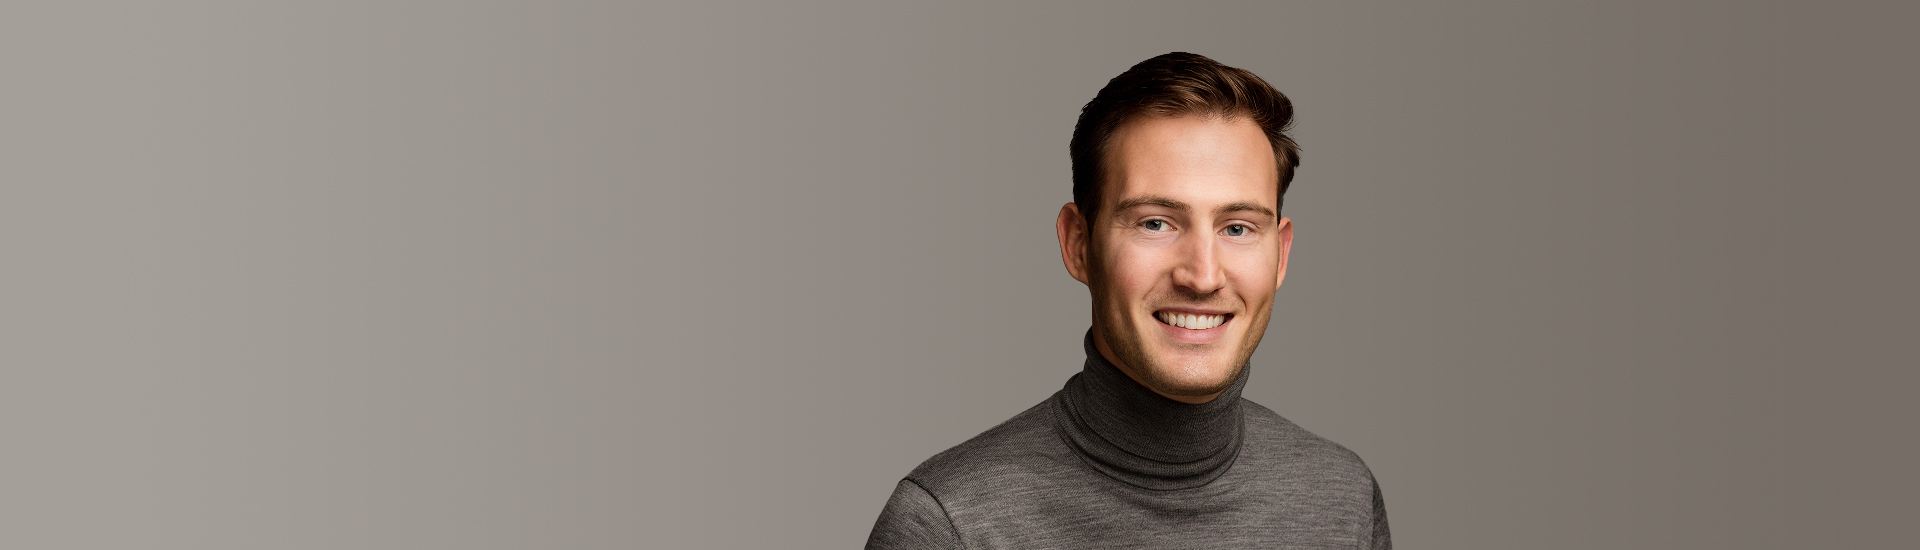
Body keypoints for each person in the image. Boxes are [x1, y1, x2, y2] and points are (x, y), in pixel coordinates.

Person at [864, 52, 1390, 549]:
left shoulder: (1344, 501)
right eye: (1155, 223)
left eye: (1237, 227)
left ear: (1280, 254)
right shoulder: (949, 525)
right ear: (1078, 245)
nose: (1203, 276)